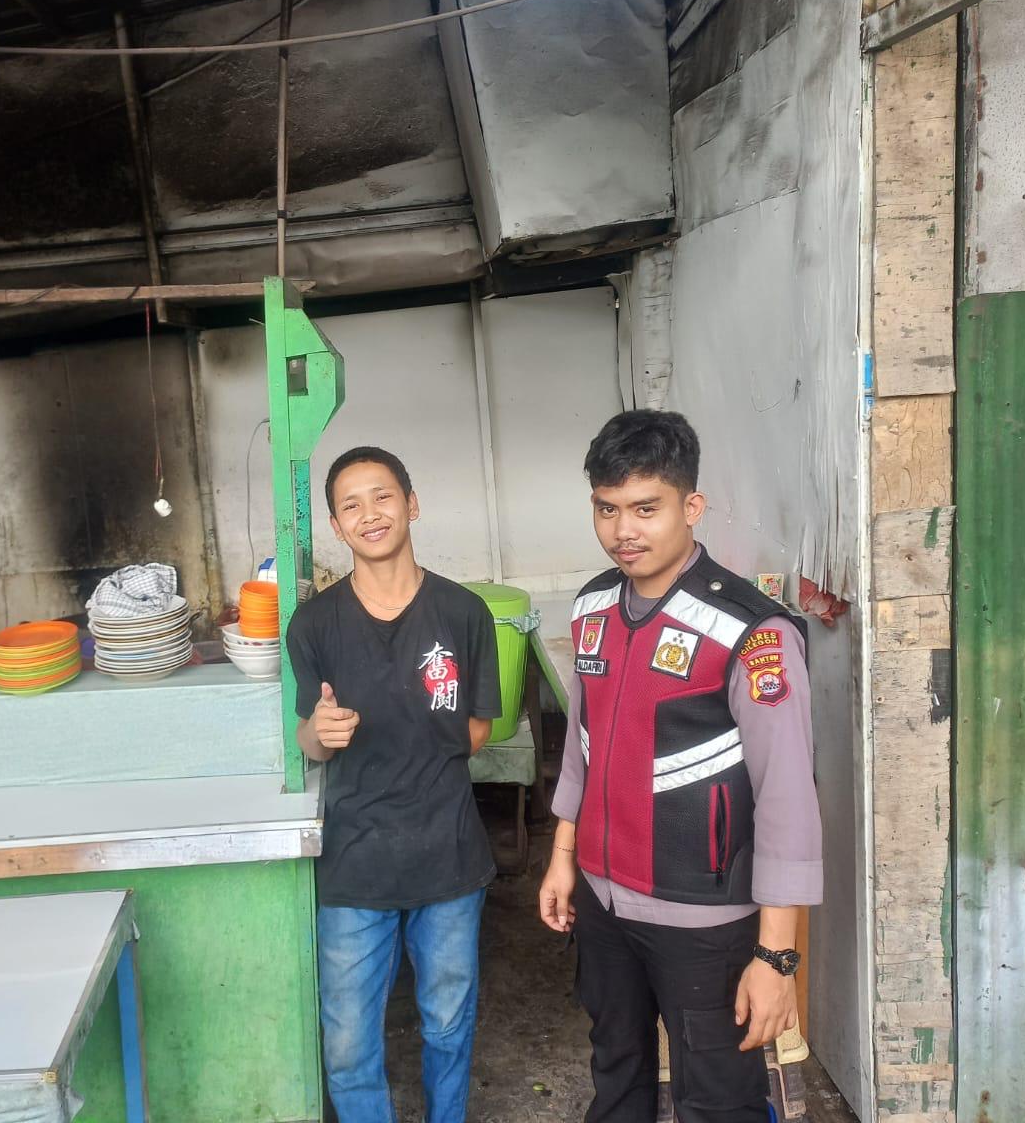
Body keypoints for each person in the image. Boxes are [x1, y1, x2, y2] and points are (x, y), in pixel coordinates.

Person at [539, 410, 823, 1123]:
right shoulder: (593, 607)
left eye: (646, 508)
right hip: (602, 903)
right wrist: (564, 856)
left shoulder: (752, 632)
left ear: (691, 507)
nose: (623, 531)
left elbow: (788, 798)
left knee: (717, 1101)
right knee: (616, 1075)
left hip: (705, 920)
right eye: (607, 509)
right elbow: (581, 743)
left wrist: (776, 958)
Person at [287, 445, 503, 1123]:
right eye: (350, 505)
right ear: (335, 525)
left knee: (447, 1026)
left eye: (382, 496)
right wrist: (321, 733)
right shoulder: (313, 624)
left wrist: (416, 752)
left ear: (411, 504)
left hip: (448, 853)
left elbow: (478, 727)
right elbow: (307, 741)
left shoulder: (464, 612)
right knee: (349, 1045)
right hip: (354, 860)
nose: (369, 514)